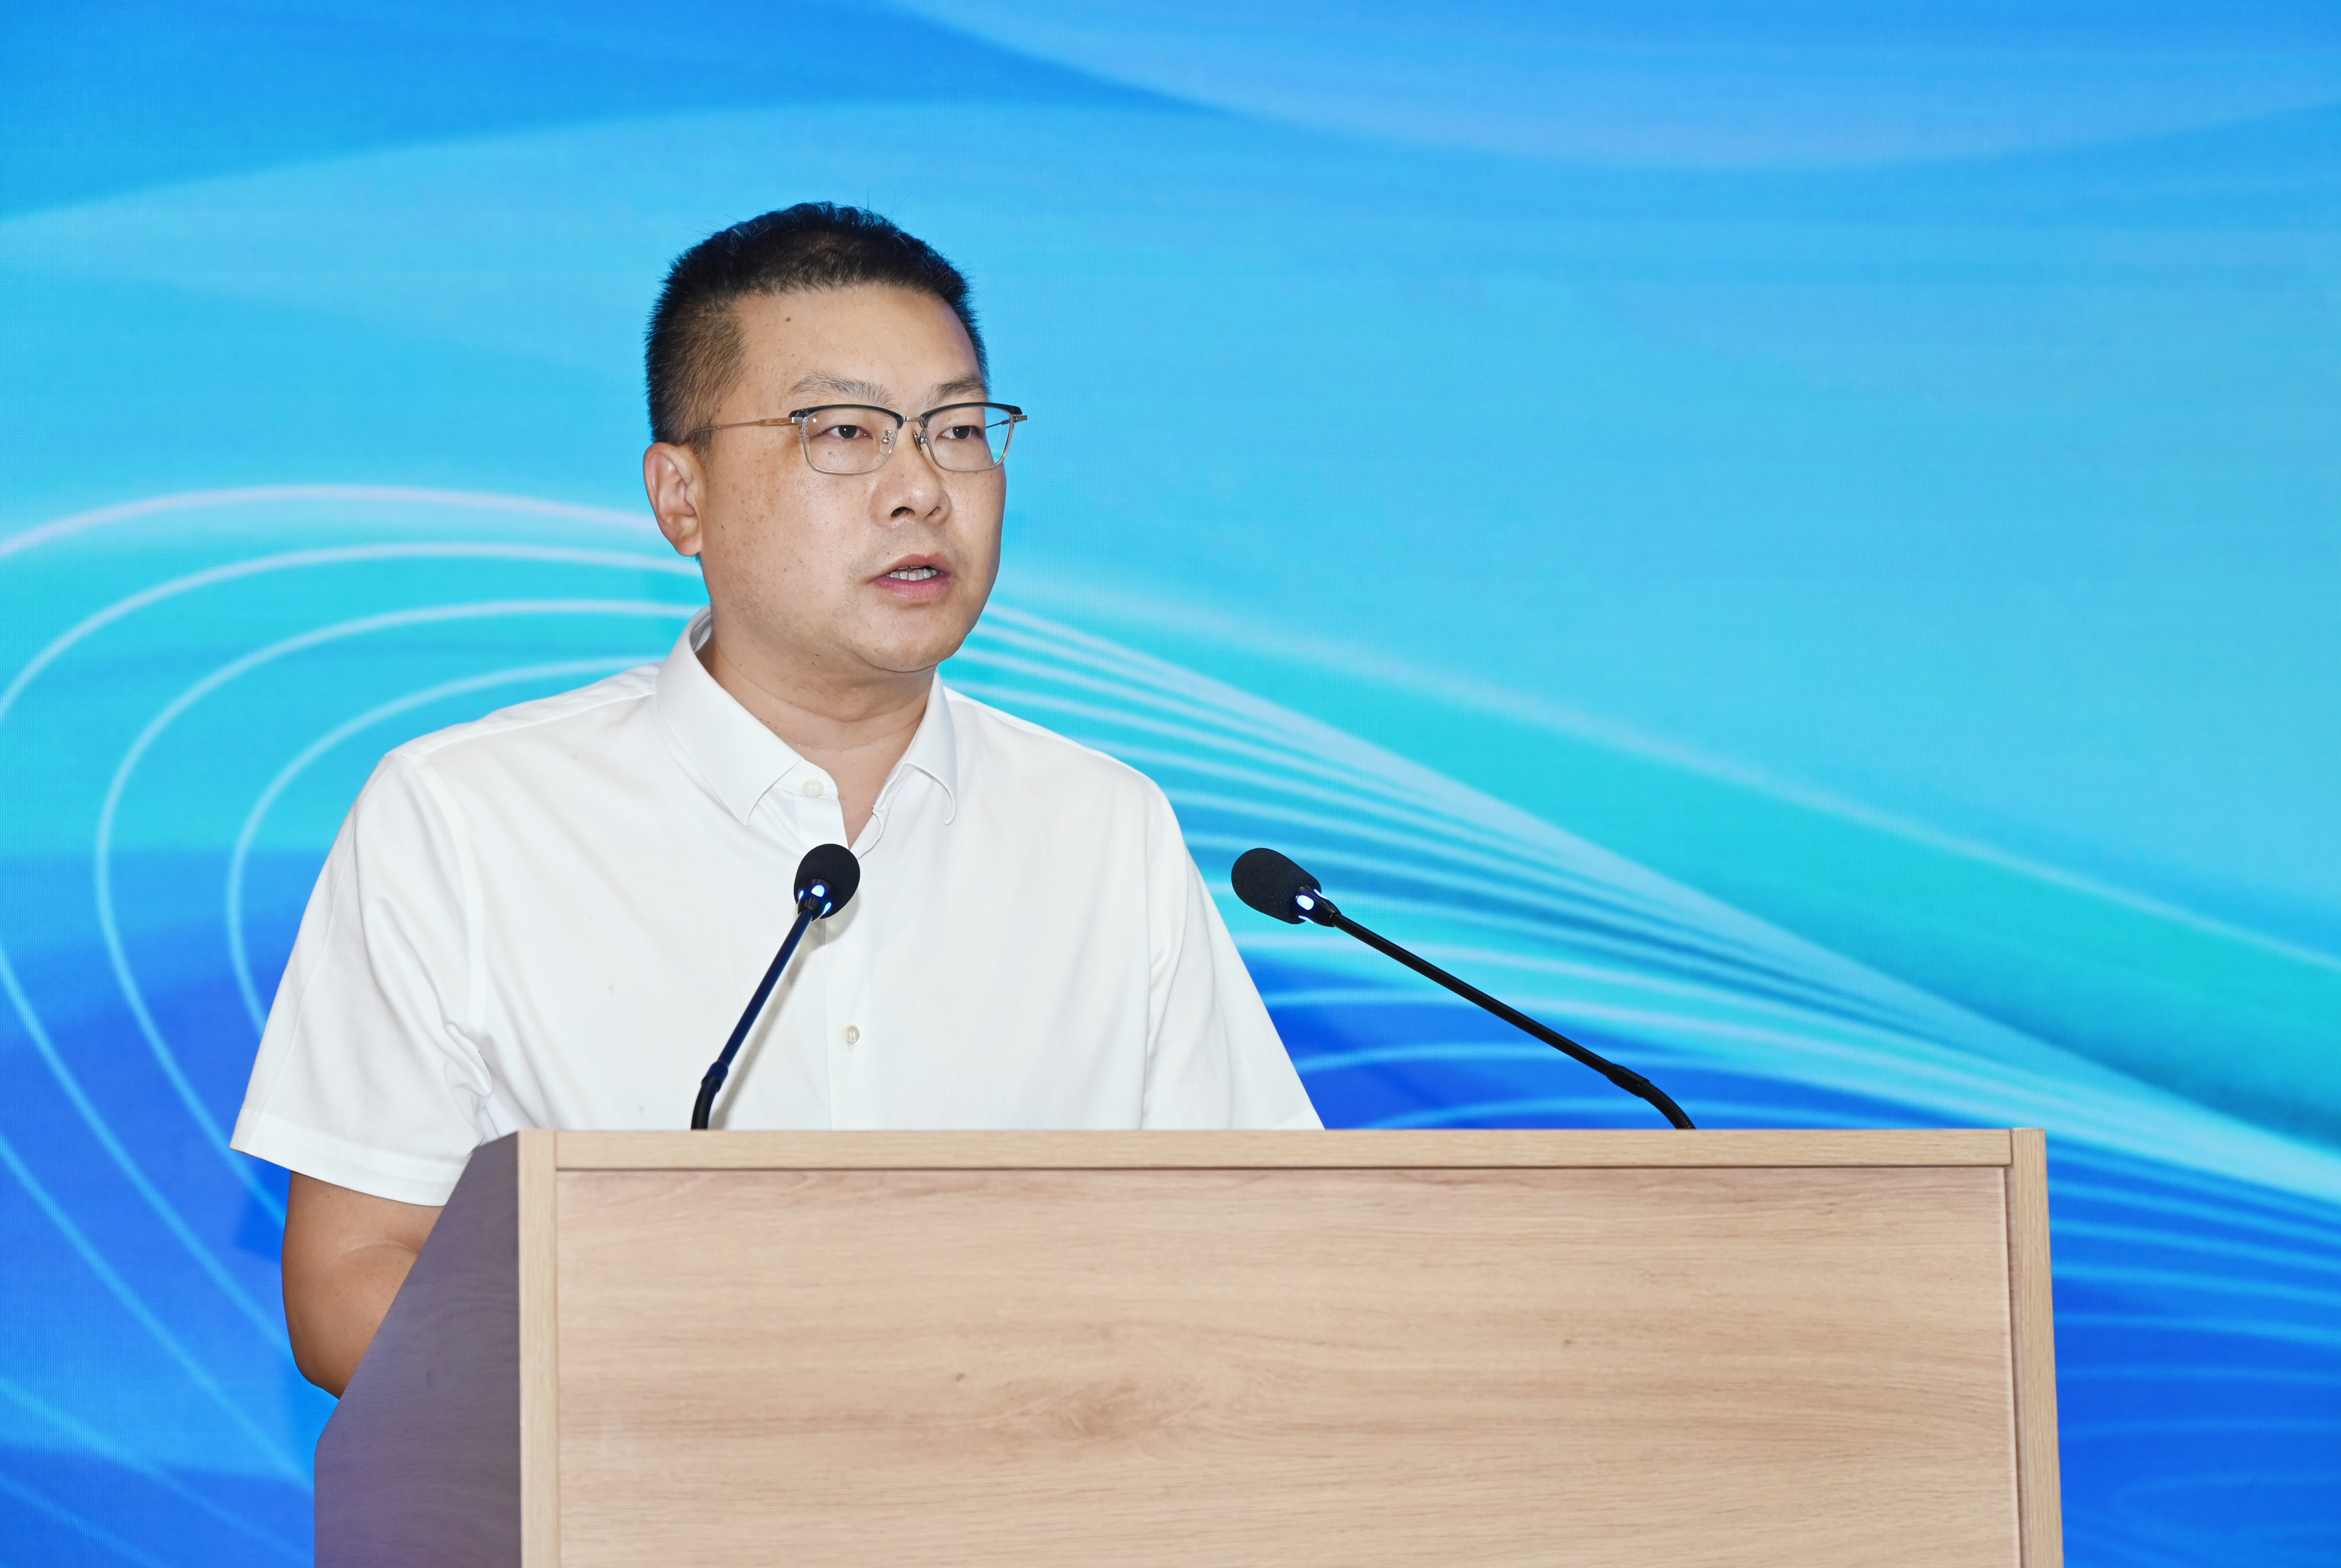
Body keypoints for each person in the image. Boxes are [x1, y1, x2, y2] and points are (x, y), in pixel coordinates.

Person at [231, 203, 1319, 1396]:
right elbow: (349, 1280)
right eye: (844, 431)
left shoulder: (1103, 827)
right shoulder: (465, 818)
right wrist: (678, 1407)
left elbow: (1262, 1246)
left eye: (959, 430)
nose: (921, 488)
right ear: (680, 496)